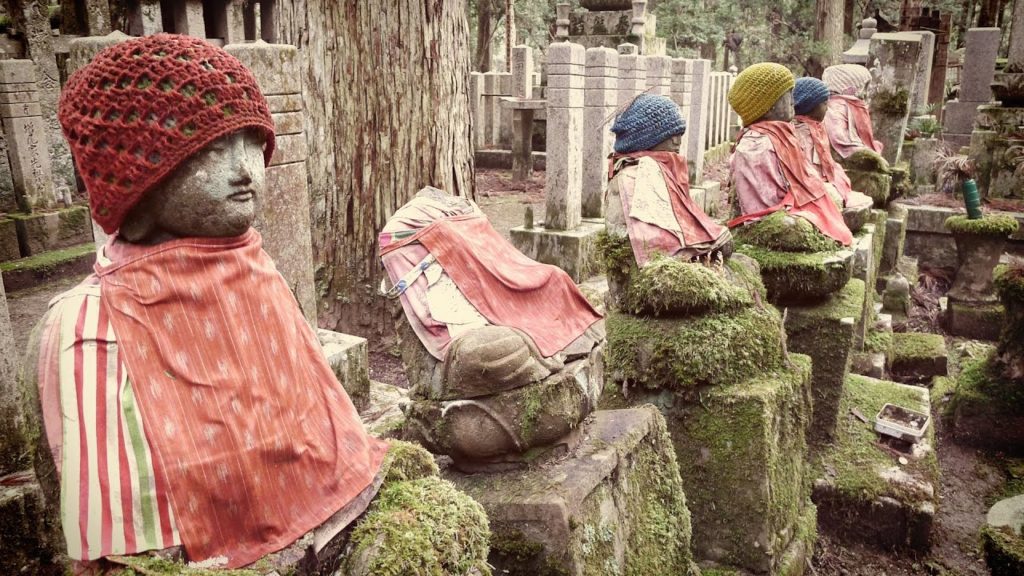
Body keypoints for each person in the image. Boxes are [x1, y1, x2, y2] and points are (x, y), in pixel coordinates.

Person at [24, 34, 485, 574]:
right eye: (213, 150)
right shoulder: (92, 325)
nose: (245, 169)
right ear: (138, 179)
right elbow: (130, 540)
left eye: (251, 143)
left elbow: (314, 417)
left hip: (329, 516)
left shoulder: (255, 267)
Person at [727, 63, 853, 247]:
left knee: (831, 197)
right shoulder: (756, 145)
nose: (794, 103)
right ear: (768, 107)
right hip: (767, 217)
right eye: (787, 97)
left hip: (791, 203)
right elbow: (763, 204)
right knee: (793, 227)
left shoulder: (783, 134)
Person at [604, 93, 733, 265]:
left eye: (680, 134)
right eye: (671, 134)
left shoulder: (657, 168)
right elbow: (653, 239)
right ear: (648, 137)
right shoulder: (639, 174)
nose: (677, 141)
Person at [792, 77, 874, 215]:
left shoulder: (816, 127)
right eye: (824, 104)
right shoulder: (800, 131)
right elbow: (804, 166)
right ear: (810, 106)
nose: (827, 108)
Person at [823, 63, 884, 159]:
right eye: (864, 88)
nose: (866, 93)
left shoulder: (852, 104)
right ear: (850, 88)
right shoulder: (836, 107)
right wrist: (863, 152)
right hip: (843, 153)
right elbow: (837, 136)